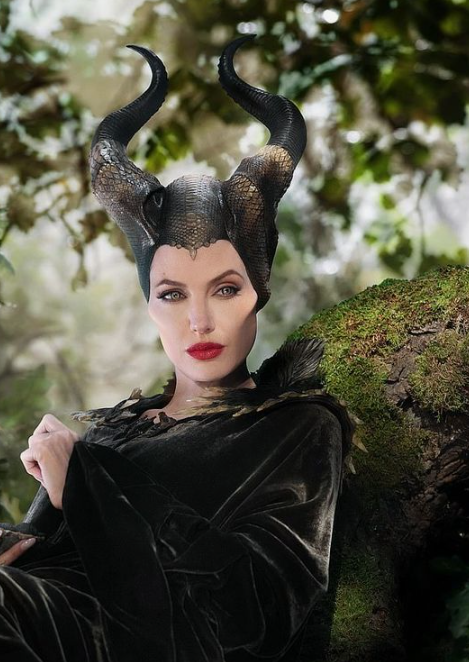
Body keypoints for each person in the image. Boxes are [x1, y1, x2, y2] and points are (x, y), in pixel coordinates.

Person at [0, 35, 357, 662]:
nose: (199, 320)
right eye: (171, 294)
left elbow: (254, 614)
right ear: (150, 306)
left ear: (258, 294)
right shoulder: (109, 433)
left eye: (225, 288)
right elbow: (34, 550)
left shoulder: (297, 428)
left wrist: (86, 483)